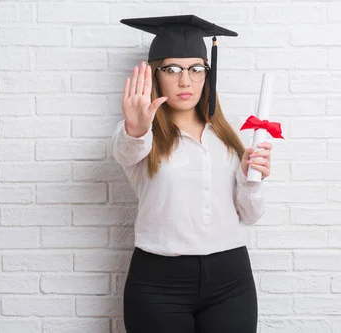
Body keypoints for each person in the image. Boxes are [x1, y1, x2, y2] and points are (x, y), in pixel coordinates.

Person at [110, 14, 273, 333]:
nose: (186, 81)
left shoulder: (226, 138)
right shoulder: (142, 136)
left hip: (231, 279)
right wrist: (135, 127)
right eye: (172, 69)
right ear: (156, 75)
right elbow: (127, 148)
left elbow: (249, 215)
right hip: (159, 284)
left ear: (207, 73)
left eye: (196, 68)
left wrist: (250, 180)